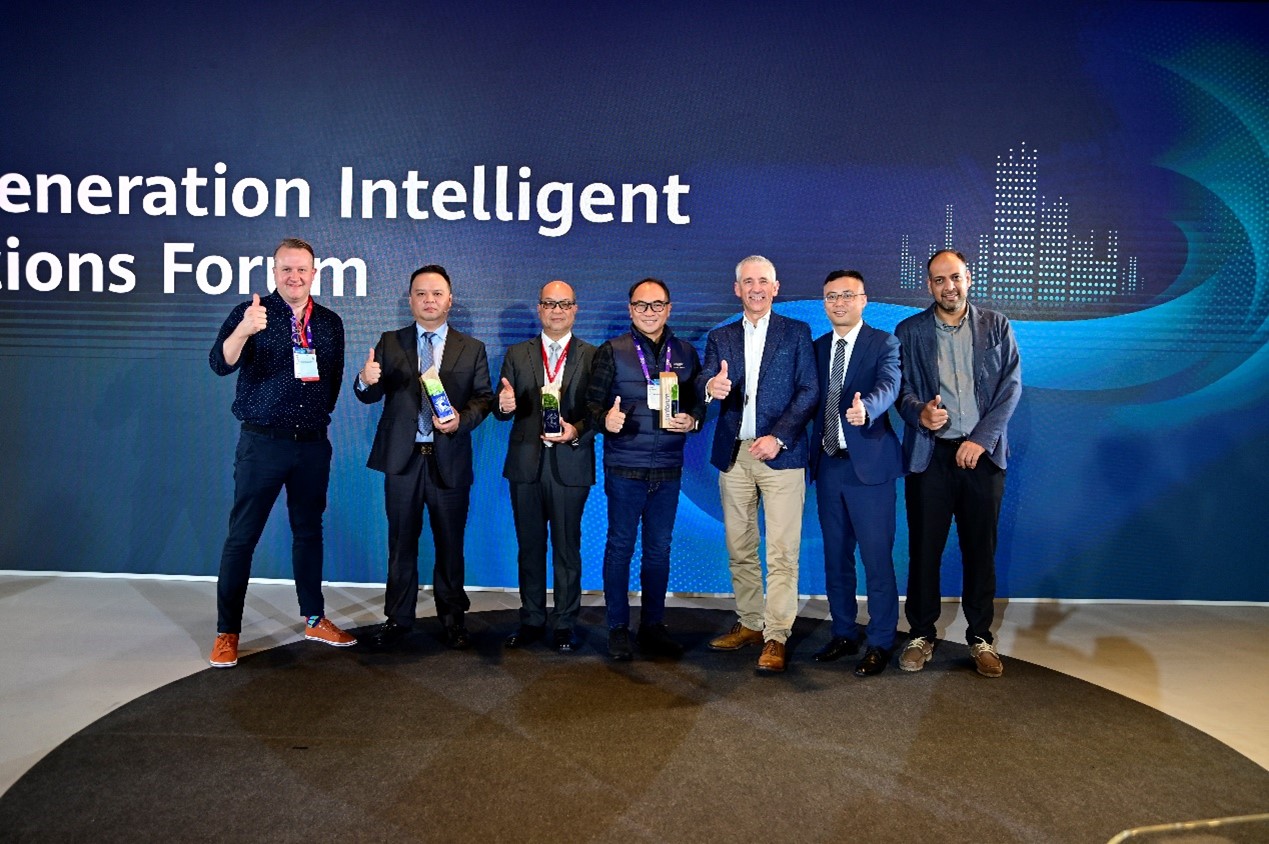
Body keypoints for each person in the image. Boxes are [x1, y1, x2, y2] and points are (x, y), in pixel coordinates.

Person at [207, 237, 354, 668]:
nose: (294, 276)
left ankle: (314, 618)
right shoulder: (252, 313)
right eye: (286, 269)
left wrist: (312, 419)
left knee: (309, 533)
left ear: (314, 273)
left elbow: (332, 381)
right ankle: (227, 632)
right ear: (274, 273)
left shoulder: (329, 323)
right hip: (263, 444)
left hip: (312, 445)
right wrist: (242, 331)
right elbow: (219, 363)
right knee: (242, 537)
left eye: (302, 269)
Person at [895, 249, 1022, 678]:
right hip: (930, 455)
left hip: (982, 458)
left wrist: (981, 440)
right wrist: (920, 413)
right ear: (929, 286)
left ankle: (980, 637)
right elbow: (901, 390)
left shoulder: (996, 325)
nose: (948, 287)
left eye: (954, 277)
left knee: (980, 551)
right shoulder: (909, 331)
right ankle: (921, 634)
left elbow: (1010, 388)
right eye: (939, 280)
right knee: (924, 551)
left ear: (968, 278)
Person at [354, 264, 493, 651]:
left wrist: (460, 421)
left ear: (449, 300)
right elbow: (369, 394)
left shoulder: (472, 348)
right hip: (403, 461)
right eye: (421, 294)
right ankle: (398, 618)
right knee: (401, 543)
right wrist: (365, 379)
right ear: (411, 300)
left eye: (436, 294)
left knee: (451, 544)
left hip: (449, 459)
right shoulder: (390, 342)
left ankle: (453, 619)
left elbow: (484, 399)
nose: (429, 300)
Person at [699, 256, 818, 673]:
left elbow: (809, 390)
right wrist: (710, 386)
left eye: (763, 281)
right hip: (734, 456)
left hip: (782, 454)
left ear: (775, 287)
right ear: (737, 289)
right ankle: (751, 622)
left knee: (782, 552)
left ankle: (776, 635)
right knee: (740, 547)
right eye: (748, 281)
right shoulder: (721, 336)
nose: (755, 288)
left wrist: (778, 436)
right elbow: (703, 379)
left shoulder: (796, 332)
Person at [586, 278, 703, 661]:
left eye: (657, 305)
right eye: (641, 305)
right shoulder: (612, 351)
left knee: (658, 551)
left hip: (668, 469)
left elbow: (697, 403)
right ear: (630, 309)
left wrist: (693, 419)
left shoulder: (685, 352)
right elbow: (590, 405)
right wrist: (605, 419)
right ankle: (617, 628)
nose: (649, 312)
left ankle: (653, 625)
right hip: (625, 468)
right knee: (620, 547)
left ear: (669, 308)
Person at [493, 281, 597, 654]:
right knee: (529, 548)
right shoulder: (516, 353)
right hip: (526, 465)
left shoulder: (593, 355)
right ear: (539, 308)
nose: (557, 310)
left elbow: (598, 413)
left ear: (575, 309)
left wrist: (576, 431)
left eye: (564, 304)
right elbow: (502, 410)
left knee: (567, 549)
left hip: (571, 464)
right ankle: (532, 620)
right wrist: (503, 405)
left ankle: (565, 624)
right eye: (550, 303)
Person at [810, 270, 905, 677]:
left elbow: (890, 385)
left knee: (877, 560)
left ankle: (880, 641)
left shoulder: (883, 343)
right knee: (836, 557)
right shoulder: (817, 348)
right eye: (831, 296)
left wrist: (867, 408)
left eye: (847, 295)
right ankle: (844, 632)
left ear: (864, 300)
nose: (839, 303)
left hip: (870, 469)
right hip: (829, 465)